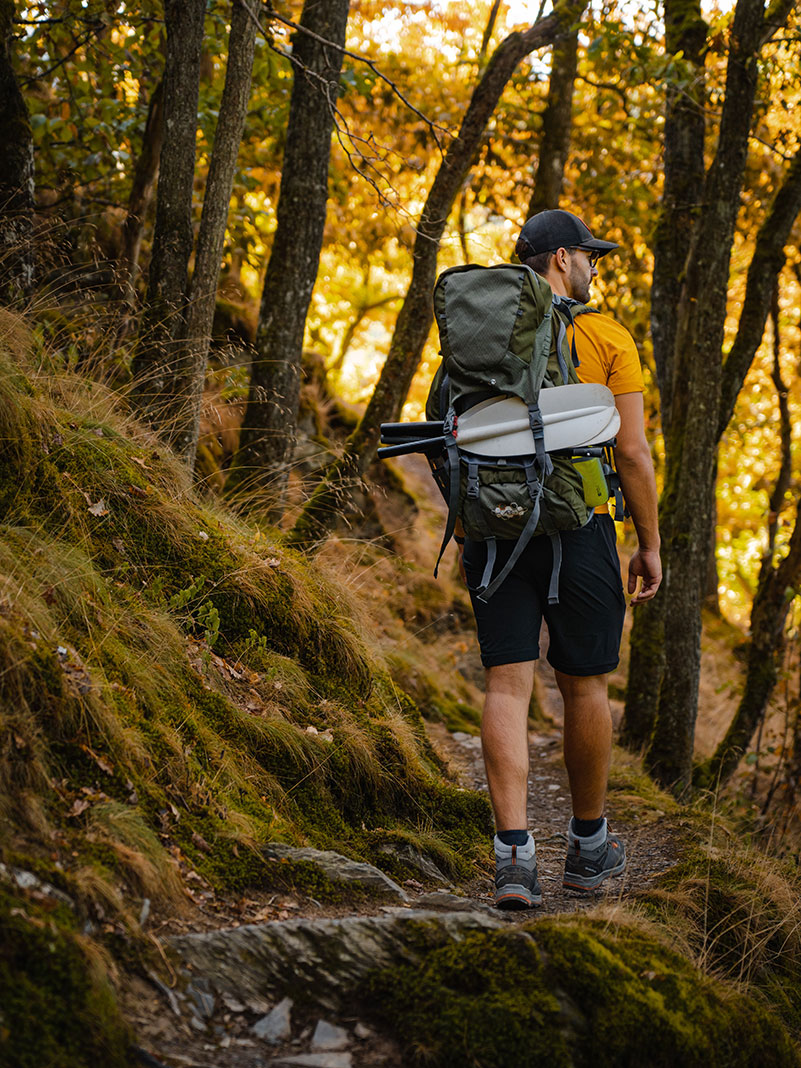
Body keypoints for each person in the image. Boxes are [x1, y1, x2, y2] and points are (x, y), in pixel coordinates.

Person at [430, 209, 662, 908]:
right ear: (562, 259)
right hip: (580, 525)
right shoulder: (603, 335)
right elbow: (630, 451)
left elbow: (446, 431)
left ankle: (513, 860)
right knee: (584, 685)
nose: (595, 268)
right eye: (591, 255)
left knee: (506, 683)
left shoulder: (477, 337)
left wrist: (468, 520)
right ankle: (588, 850)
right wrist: (649, 543)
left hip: (493, 531)